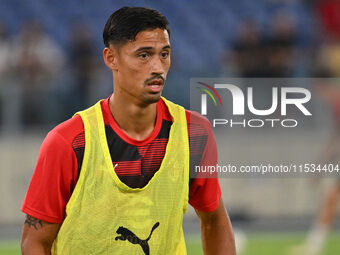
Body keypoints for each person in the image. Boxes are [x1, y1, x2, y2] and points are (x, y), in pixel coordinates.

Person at [20, 7, 236, 255]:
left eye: (164, 54)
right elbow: (34, 242)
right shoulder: (69, 141)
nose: (158, 67)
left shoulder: (194, 133)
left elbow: (215, 221)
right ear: (111, 58)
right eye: (144, 55)